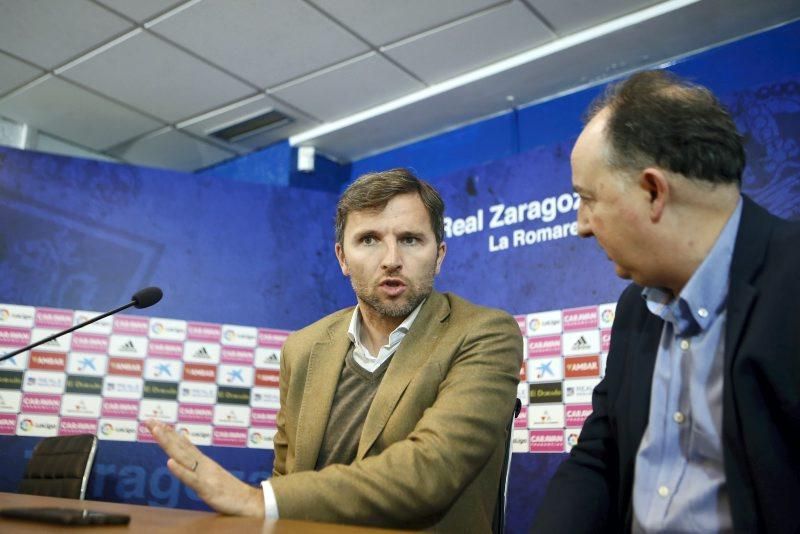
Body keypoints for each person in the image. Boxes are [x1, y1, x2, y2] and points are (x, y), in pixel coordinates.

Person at [147, 168, 523, 531]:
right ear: (343, 258)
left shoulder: (484, 333)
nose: (391, 259)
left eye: (410, 239)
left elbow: (432, 470)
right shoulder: (303, 348)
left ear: (439, 255)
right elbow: (286, 472)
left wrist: (259, 502)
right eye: (369, 240)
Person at [531, 70, 800, 533]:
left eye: (587, 199)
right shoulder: (635, 311)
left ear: (653, 191)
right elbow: (600, 454)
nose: (581, 225)